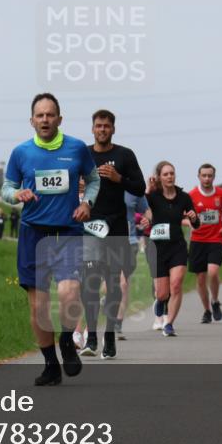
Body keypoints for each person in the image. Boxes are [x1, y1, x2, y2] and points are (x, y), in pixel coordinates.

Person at [2, 92, 100, 386]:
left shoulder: (77, 148)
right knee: (39, 309)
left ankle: (68, 341)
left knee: (69, 295)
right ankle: (50, 366)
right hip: (34, 234)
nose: (45, 119)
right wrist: (16, 194)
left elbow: (93, 180)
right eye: (40, 115)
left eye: (50, 114)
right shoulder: (21, 153)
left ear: (60, 118)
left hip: (67, 232)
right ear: (32, 120)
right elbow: (6, 187)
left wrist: (87, 204)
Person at [78, 109, 145, 359]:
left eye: (107, 126)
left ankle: (109, 336)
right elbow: (72, 180)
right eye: (98, 125)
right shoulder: (83, 154)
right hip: (91, 225)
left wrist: (119, 178)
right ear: (93, 128)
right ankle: (91, 336)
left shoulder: (124, 155)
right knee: (90, 282)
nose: (102, 129)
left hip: (117, 227)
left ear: (113, 129)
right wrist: (78, 184)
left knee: (114, 283)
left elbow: (140, 187)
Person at [139, 161, 199, 337]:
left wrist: (194, 218)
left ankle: (169, 323)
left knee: (176, 284)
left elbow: (196, 224)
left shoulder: (184, 197)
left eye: (172, 173)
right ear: (159, 177)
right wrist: (149, 190)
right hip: (157, 247)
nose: (169, 176)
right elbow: (143, 208)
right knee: (162, 292)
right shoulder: (154, 196)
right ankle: (159, 300)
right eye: (165, 174)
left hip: (177, 246)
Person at [188, 164, 222, 323]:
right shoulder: (191, 195)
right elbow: (184, 217)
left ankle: (215, 301)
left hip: (216, 239)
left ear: (214, 177)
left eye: (210, 176)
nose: (207, 178)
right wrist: (192, 223)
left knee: (213, 272)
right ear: (198, 176)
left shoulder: (221, 194)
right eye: (204, 175)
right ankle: (207, 310)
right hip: (197, 240)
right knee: (200, 278)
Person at [118, 191, 148, 340]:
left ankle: (118, 323)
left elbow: (147, 210)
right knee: (108, 284)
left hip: (130, 242)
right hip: (105, 241)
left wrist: (147, 219)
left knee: (123, 283)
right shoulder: (101, 184)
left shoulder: (133, 189)